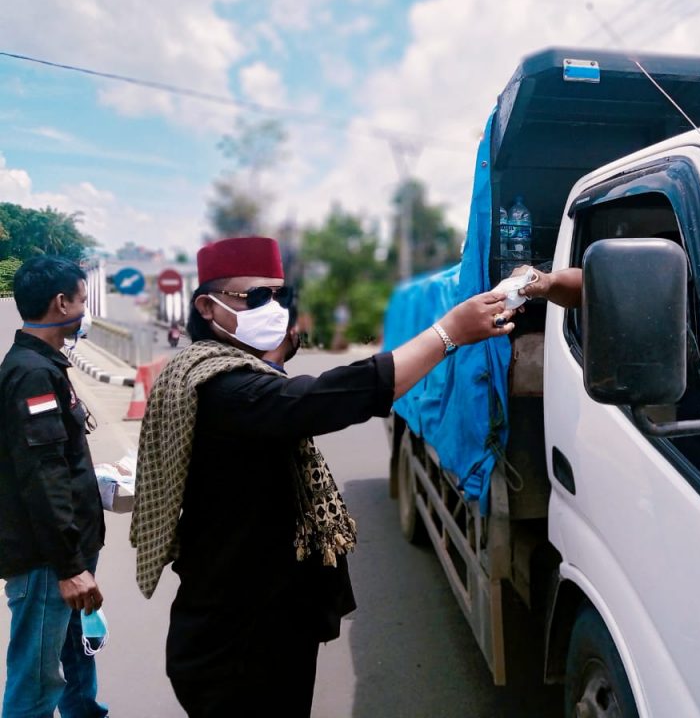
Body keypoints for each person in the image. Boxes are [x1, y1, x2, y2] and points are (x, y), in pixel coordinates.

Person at [129, 236, 513, 717]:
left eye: (278, 295)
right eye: (256, 298)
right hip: (241, 645)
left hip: (250, 621)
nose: (273, 308)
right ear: (208, 306)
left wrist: (273, 362)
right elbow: (325, 398)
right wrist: (449, 333)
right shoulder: (224, 389)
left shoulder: (210, 369)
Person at [0, 256, 108, 718]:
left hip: (66, 551)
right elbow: (41, 475)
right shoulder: (32, 374)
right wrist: (69, 566)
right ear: (61, 302)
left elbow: (55, 461)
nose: (85, 309)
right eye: (82, 299)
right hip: (48, 561)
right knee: (38, 682)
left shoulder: (44, 364)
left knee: (77, 661)